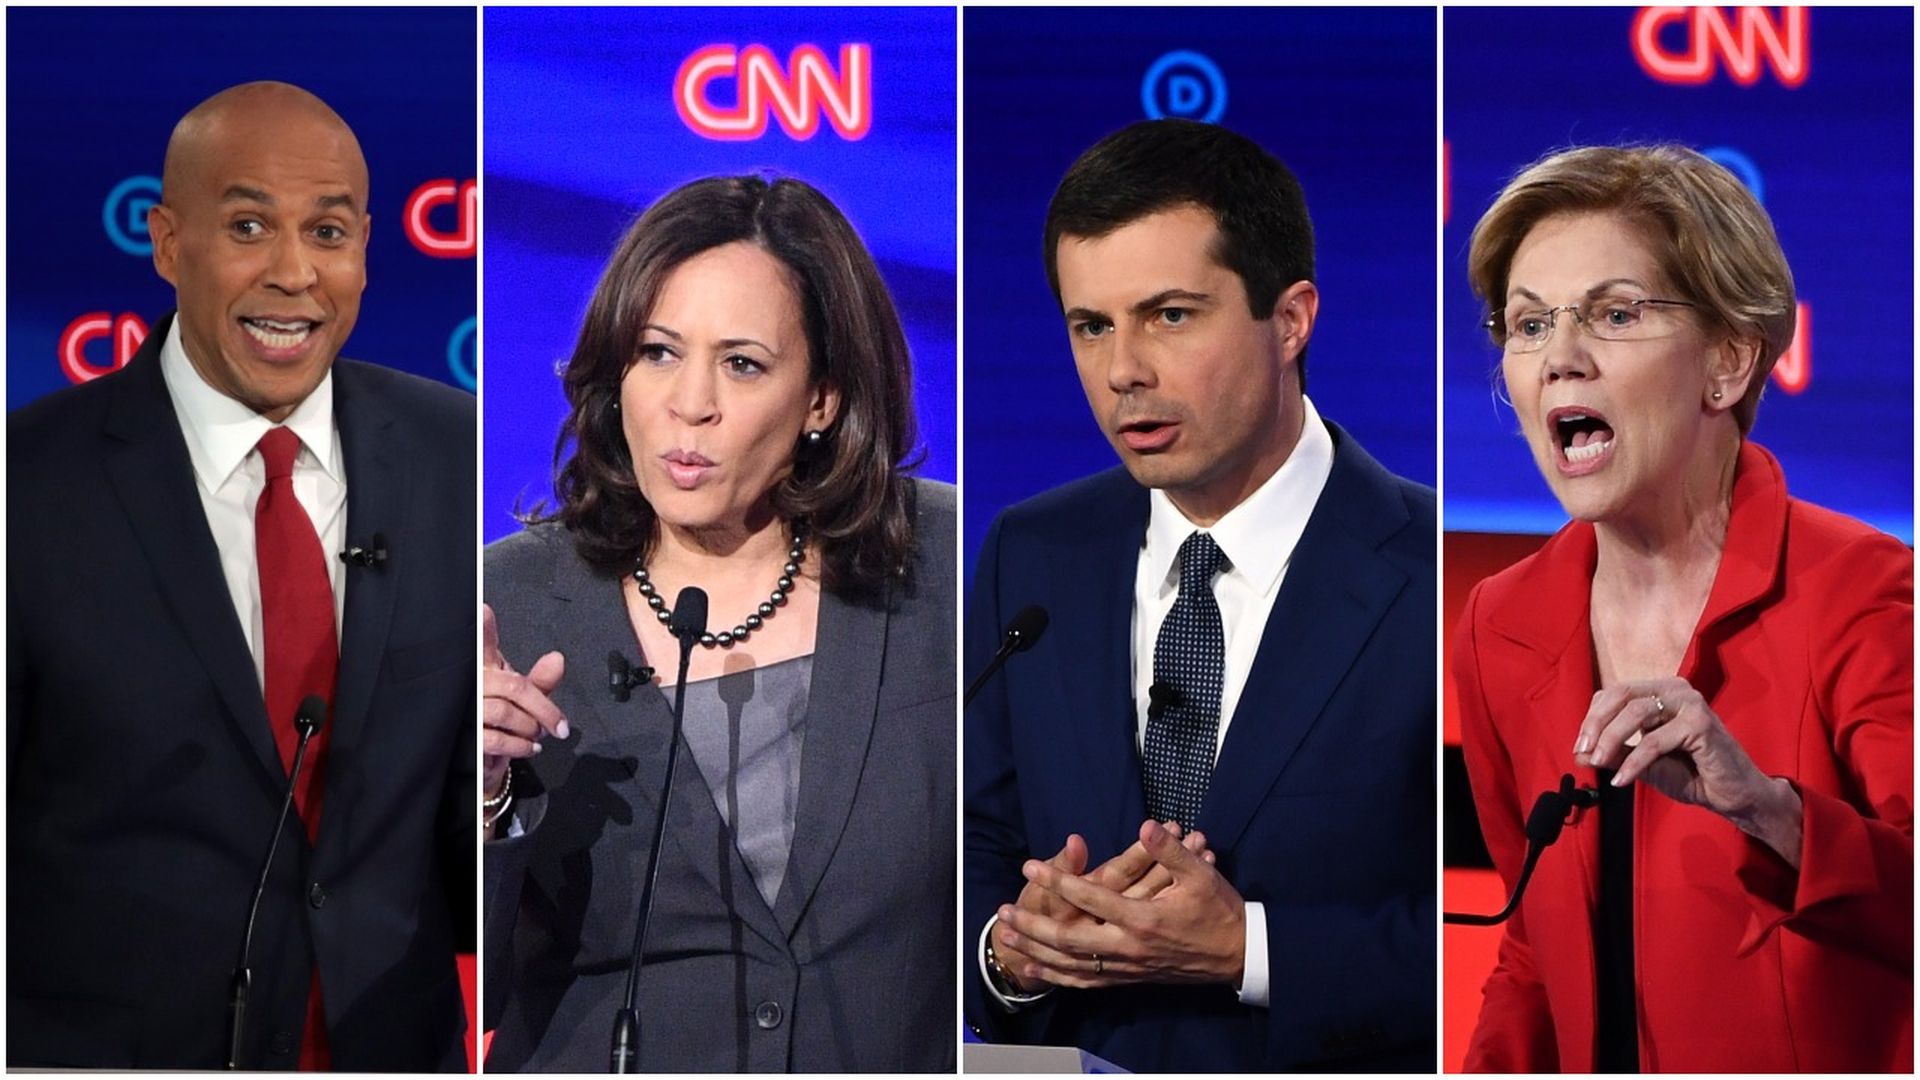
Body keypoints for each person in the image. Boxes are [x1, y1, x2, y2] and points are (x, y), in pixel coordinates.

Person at [7, 82, 474, 1070]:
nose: (296, 273)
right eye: (250, 225)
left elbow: (481, 869)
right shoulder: (27, 486)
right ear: (169, 242)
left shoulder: (456, 458)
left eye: (330, 231)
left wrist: (502, 796)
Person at [963, 119, 1436, 1072]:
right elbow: (975, 841)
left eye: (1169, 315)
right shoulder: (1033, 552)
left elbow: (1502, 932)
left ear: (1291, 319)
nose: (1122, 370)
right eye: (1091, 326)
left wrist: (1247, 950)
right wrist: (1007, 949)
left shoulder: (1431, 573)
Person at [481, 174, 954, 1072]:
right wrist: (483, 800)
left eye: (741, 363)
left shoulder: (945, 568)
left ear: (822, 398)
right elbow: (443, 973)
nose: (687, 402)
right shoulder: (510, 608)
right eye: (658, 352)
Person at [1455, 144, 1913, 1072]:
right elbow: (1533, 951)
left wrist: (1766, 810)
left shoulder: (1863, 591)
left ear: (1730, 362)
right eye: (1530, 324)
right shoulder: (1497, 622)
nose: (1560, 361)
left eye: (1614, 314)